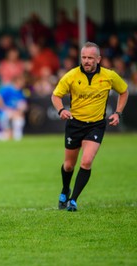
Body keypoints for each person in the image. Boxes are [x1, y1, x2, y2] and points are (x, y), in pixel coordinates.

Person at [52, 42, 129, 212]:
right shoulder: (71, 75)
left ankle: (73, 200)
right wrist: (61, 110)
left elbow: (124, 91)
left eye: (90, 58)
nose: (86, 61)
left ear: (98, 59)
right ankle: (65, 189)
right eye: (84, 57)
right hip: (75, 125)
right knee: (68, 165)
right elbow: (56, 95)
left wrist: (118, 113)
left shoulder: (109, 76)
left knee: (86, 162)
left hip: (96, 125)